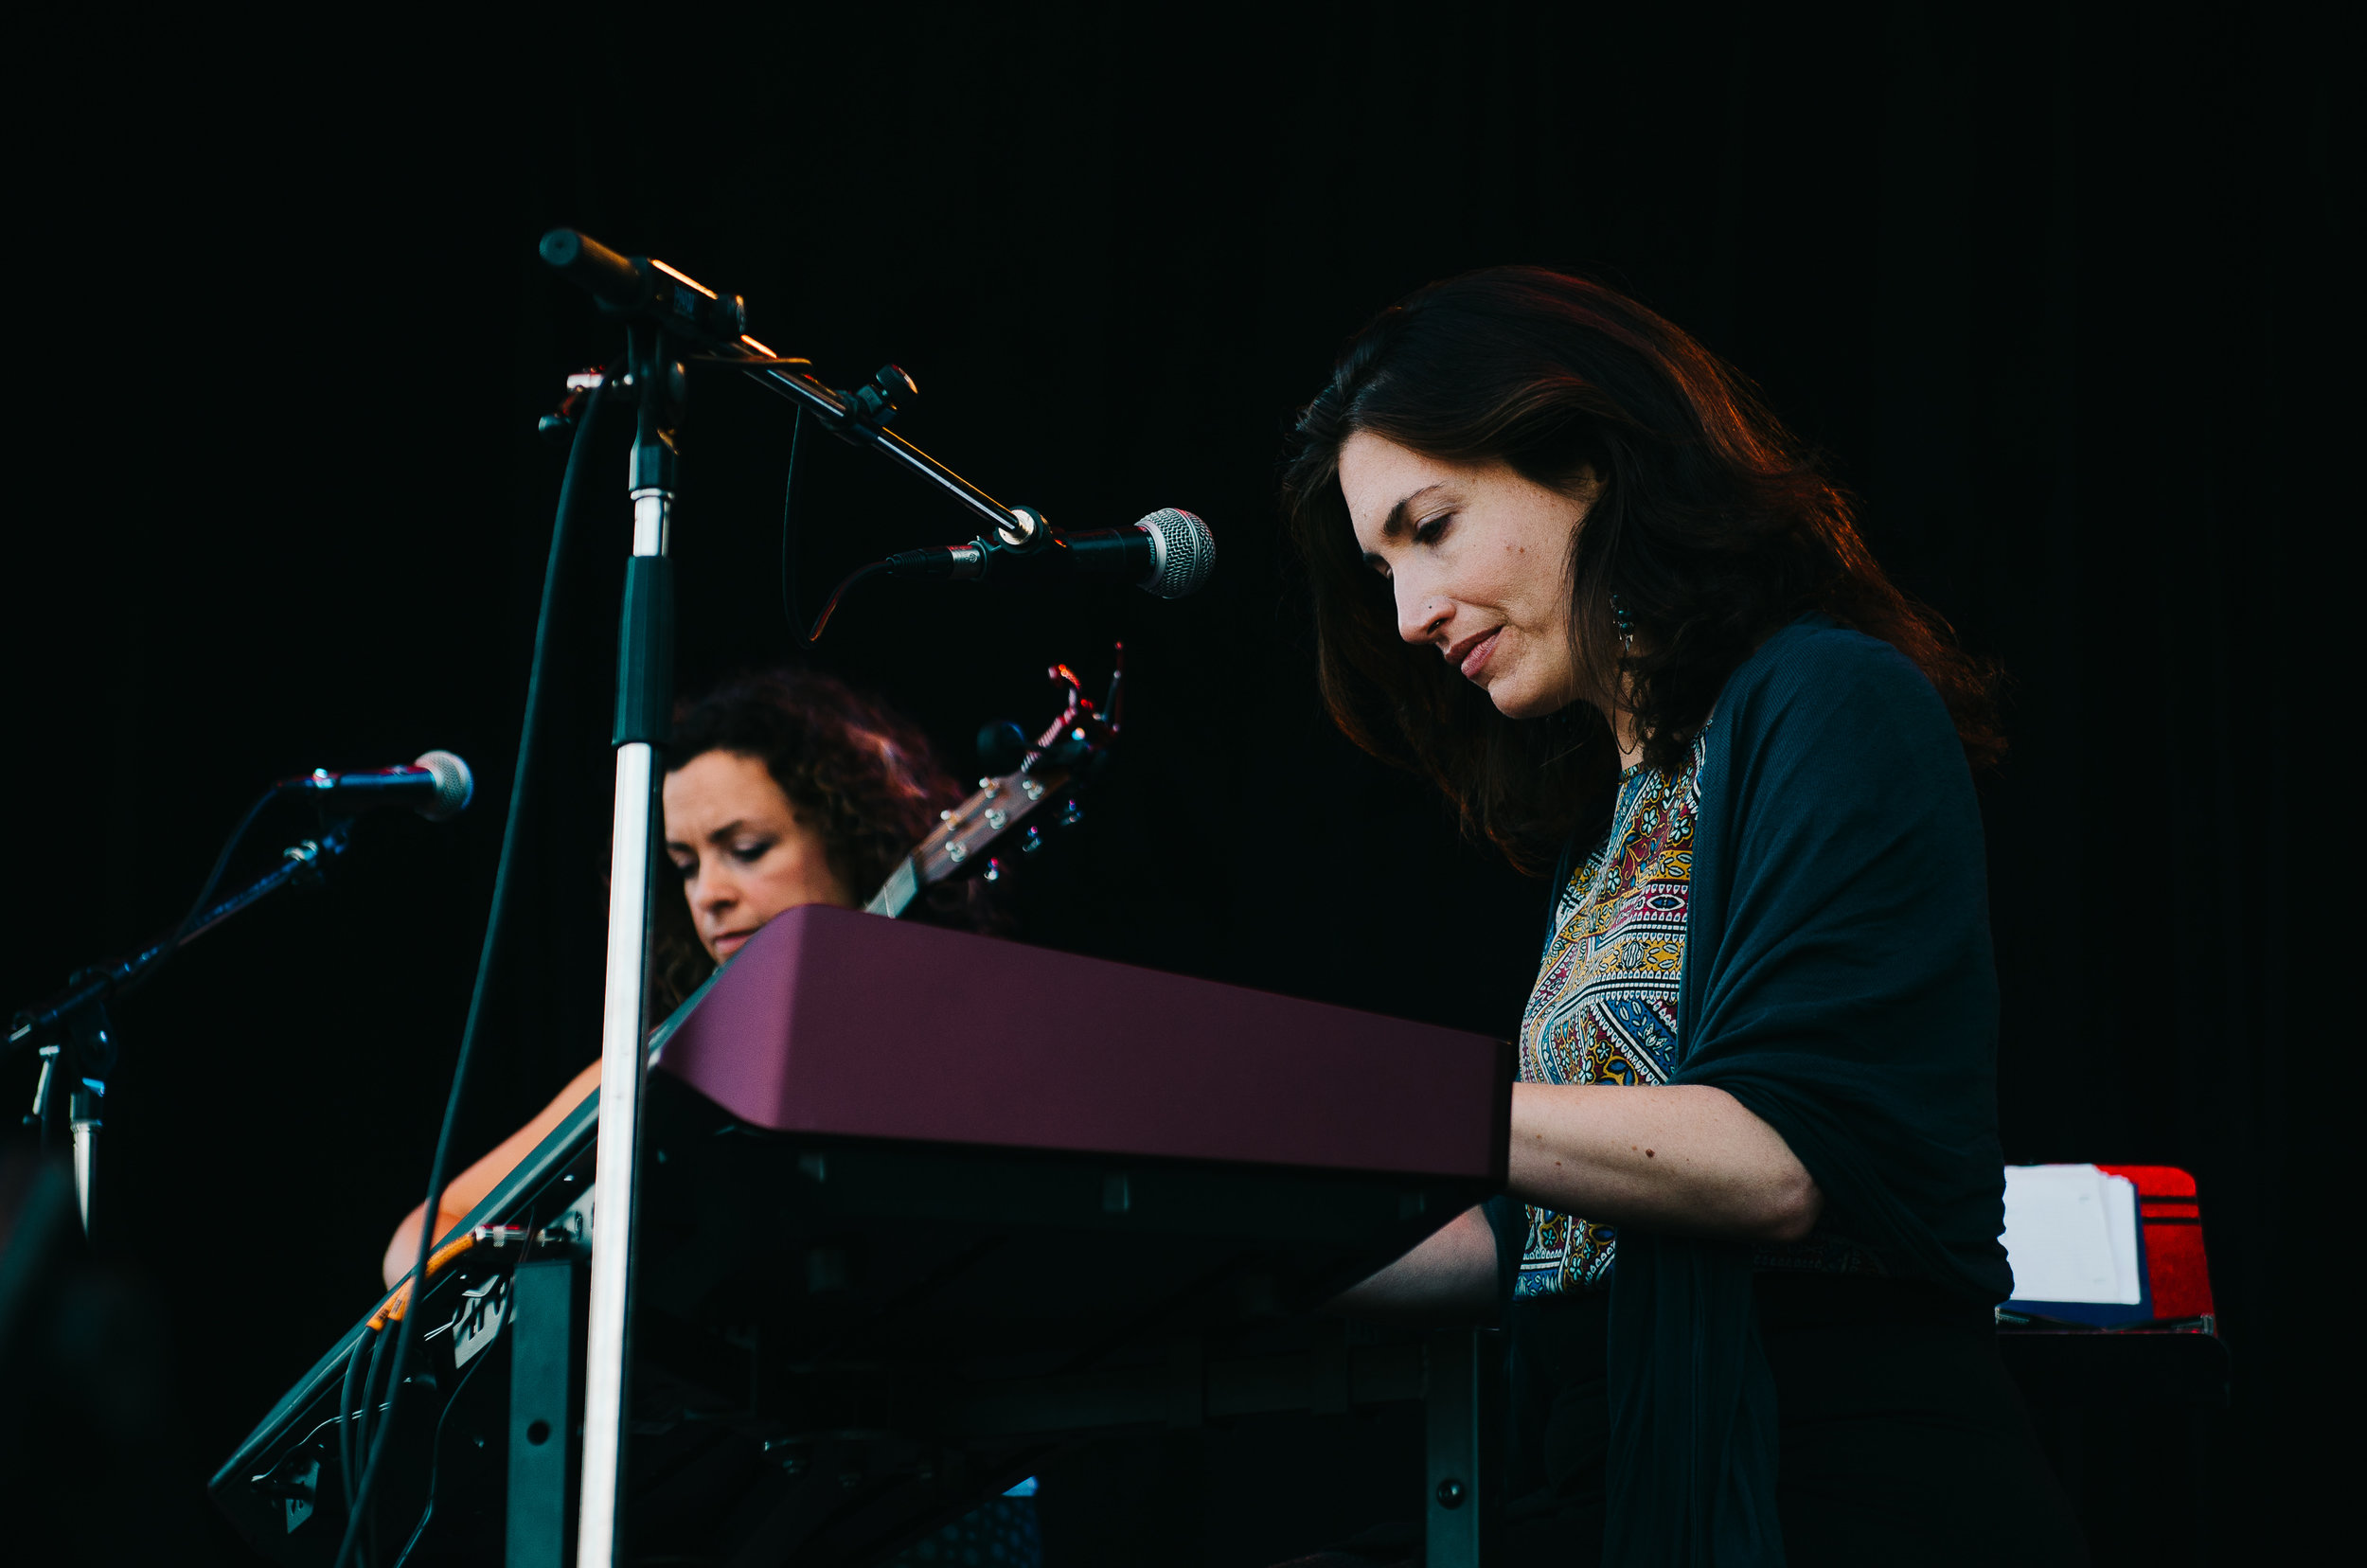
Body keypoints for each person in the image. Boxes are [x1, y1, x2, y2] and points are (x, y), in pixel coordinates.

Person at [1287, 269, 2082, 1565]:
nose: (1408, 616)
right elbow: (1551, 1225)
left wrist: (1376, 1102)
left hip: (1835, 1493)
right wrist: (1232, 1260)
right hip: (1633, 1475)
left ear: (1587, 460)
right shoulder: (1613, 830)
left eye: (1430, 529)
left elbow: (1775, 1161)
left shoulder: (1829, 699)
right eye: (1381, 569)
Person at [380, 669, 966, 1288]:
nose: (708, 894)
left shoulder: (958, 1022)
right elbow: (420, 1241)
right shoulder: (667, 1058)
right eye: (685, 865)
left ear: (850, 837)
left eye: (747, 849)